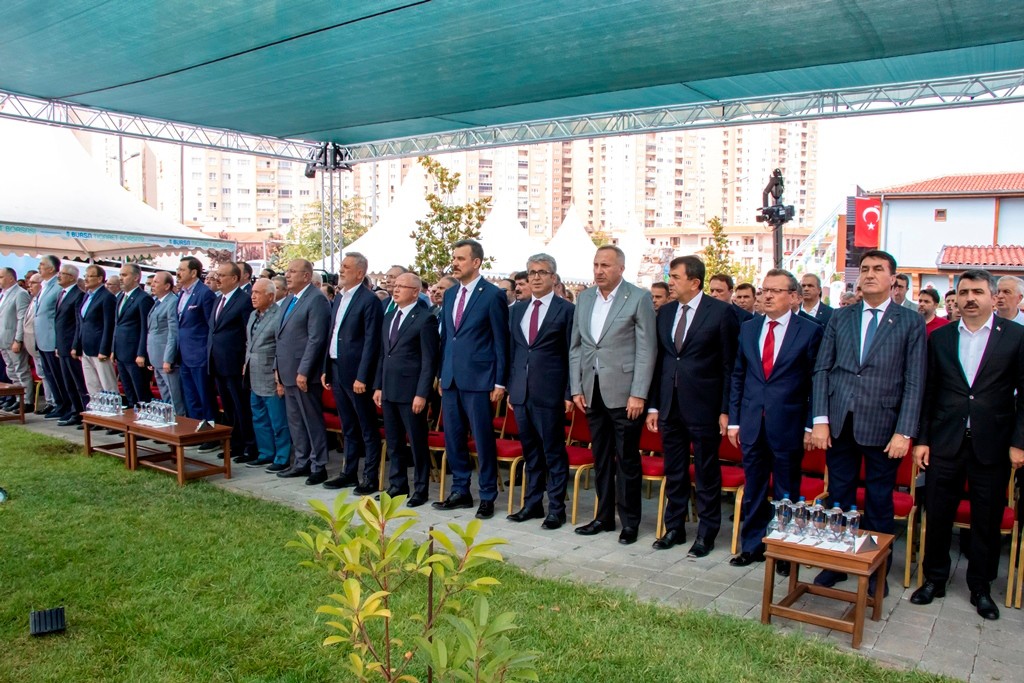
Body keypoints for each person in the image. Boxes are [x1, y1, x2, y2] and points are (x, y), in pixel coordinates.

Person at [810, 250, 926, 596]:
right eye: (865, 269)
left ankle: (875, 570)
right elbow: (822, 369)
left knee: (878, 502)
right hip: (840, 423)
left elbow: (915, 380)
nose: (870, 274)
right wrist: (820, 420)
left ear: (893, 278)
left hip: (883, 426)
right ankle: (837, 562)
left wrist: (904, 431)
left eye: (878, 269)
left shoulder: (910, 322)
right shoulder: (841, 317)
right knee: (839, 497)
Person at [911, 269, 1024, 621]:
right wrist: (922, 440)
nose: (970, 298)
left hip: (993, 443)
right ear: (956, 298)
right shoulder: (941, 337)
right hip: (945, 441)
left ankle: (981, 587)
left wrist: (1019, 442)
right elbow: (929, 391)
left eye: (977, 291)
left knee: (986, 519)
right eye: (964, 292)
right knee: (938, 513)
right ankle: (934, 579)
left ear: (993, 296)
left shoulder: (1016, 337)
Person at [727, 269, 823, 573]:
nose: (767, 296)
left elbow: (815, 382)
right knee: (754, 487)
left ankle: (784, 551)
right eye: (764, 290)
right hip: (752, 422)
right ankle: (752, 545)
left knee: (786, 491)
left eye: (775, 291)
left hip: (789, 423)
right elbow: (739, 376)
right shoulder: (749, 328)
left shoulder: (809, 331)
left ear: (793, 297)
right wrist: (734, 420)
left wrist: (810, 424)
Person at [646, 255, 738, 554]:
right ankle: (675, 527)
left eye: (675, 277)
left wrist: (725, 409)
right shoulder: (666, 312)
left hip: (704, 406)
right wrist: (654, 406)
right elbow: (661, 361)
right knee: (674, 470)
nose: (670, 282)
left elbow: (729, 365)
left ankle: (707, 533)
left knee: (706, 471)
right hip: (670, 405)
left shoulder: (721, 312)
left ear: (695, 282)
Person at [571, 245, 656, 544]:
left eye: (605, 265)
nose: (599, 270)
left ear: (621, 268)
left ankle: (630, 522)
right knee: (601, 458)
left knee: (627, 459)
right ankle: (603, 517)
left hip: (625, 393)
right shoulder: (584, 298)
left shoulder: (638, 297)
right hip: (591, 391)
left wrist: (639, 393)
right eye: (596, 265)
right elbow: (576, 347)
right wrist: (576, 387)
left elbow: (647, 349)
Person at [434, 239, 509, 519]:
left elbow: (501, 341)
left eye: (461, 258)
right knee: (453, 438)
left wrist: (500, 381)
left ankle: (487, 495)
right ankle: (460, 490)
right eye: (454, 258)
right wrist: (441, 374)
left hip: (480, 379)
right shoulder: (451, 294)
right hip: (451, 378)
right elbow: (447, 337)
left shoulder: (492, 295)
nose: (455, 263)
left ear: (476, 262)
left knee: (482, 439)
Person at [507, 253, 574, 529]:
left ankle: (556, 509)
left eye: (542, 272)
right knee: (531, 452)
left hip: (550, 392)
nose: (535, 277)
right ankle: (532, 504)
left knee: (553, 452)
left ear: (553, 278)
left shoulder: (566, 310)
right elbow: (514, 352)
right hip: (521, 393)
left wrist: (569, 392)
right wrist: (511, 387)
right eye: (531, 272)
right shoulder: (517, 310)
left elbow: (572, 354)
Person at [373, 272, 439, 506]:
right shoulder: (389, 316)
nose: (396, 289)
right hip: (389, 389)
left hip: (411, 392)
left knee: (417, 442)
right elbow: (384, 354)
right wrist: (378, 386)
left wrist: (422, 393)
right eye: (395, 285)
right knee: (394, 442)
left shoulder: (425, 319)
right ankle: (397, 484)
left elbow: (429, 361)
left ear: (415, 292)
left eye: (402, 286)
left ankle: (421, 489)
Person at [322, 252, 383, 493]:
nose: (341, 270)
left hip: (357, 373)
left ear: (360, 272)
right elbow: (333, 333)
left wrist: (363, 376)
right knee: (347, 425)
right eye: (341, 266)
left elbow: (371, 342)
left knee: (366, 426)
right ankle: (348, 473)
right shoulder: (339, 297)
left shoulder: (369, 301)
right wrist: (326, 368)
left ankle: (370, 476)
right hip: (337, 368)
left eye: (346, 267)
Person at [275, 259, 332, 484]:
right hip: (287, 369)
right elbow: (280, 337)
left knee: (311, 419)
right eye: (286, 271)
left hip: (304, 372)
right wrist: (277, 368)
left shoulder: (316, 299)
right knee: (295, 420)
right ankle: (301, 461)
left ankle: (319, 464)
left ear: (307, 276)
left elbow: (316, 338)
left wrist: (304, 370)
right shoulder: (290, 299)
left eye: (292, 271)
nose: (287, 275)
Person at [208, 262, 257, 463]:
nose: (217, 278)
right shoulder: (218, 300)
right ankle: (234, 444)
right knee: (228, 407)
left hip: (235, 363)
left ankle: (249, 446)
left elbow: (248, 333)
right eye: (217, 275)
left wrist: (245, 361)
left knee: (241, 406)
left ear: (235, 278)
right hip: (218, 361)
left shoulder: (243, 301)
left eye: (222, 275)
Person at [245, 278, 290, 471]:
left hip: (271, 375)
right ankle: (265, 453)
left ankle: (282, 457)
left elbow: (281, 348)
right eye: (252, 292)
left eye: (258, 293)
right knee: (259, 417)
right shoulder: (253, 315)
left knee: (278, 419)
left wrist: (279, 378)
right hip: (253, 374)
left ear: (271, 296)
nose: (253, 296)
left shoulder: (279, 315)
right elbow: (249, 343)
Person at [72, 265, 117, 400]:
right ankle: (97, 409)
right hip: (85, 347)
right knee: (92, 384)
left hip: (99, 348)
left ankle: (112, 410)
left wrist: (104, 349)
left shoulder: (107, 297)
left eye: (90, 276)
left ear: (99, 279)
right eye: (85, 275)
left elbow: (109, 325)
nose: (86, 278)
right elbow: (81, 323)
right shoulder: (87, 296)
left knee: (107, 384)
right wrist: (76, 346)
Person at [113, 263, 154, 408]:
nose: (120, 278)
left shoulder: (143, 299)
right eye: (120, 275)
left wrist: (141, 353)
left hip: (135, 353)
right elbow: (117, 325)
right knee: (128, 390)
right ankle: (131, 417)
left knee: (140, 391)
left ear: (136, 277)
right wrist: (113, 349)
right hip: (121, 352)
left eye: (124, 275)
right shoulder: (120, 297)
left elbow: (145, 328)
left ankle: (144, 416)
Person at [146, 272, 184, 415]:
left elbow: (172, 333)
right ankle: (168, 421)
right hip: (156, 357)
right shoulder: (157, 302)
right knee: (165, 395)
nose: (152, 285)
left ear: (167, 286)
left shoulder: (172, 302)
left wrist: (168, 358)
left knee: (175, 396)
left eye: (156, 282)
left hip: (166, 358)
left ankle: (179, 422)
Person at [54, 263, 88, 426]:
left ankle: (82, 412)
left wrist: (75, 345)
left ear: (72, 277)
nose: (59, 276)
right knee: (68, 382)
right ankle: (74, 411)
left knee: (78, 382)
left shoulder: (78, 295)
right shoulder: (62, 294)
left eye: (62, 273)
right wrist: (57, 345)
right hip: (62, 344)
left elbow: (77, 324)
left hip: (71, 345)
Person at [34, 255, 67, 421]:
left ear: (52, 268)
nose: (39, 267)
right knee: (49, 374)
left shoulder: (57, 286)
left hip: (52, 338)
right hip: (42, 338)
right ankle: (58, 403)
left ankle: (64, 405)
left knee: (57, 375)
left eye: (42, 264)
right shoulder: (45, 285)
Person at [0, 267, 32, 411]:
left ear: (11, 278)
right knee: (11, 371)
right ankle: (18, 398)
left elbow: (21, 318)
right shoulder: (4, 294)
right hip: (3, 339)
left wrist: (18, 340)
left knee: (21, 370)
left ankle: (27, 400)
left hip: (13, 339)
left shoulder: (20, 294)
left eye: (1, 277)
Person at [22, 273, 54, 413]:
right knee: (43, 374)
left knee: (48, 374)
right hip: (32, 344)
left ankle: (52, 402)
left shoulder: (42, 300)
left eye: (33, 283)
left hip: (42, 342)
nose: (29, 285)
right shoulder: (34, 299)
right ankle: (49, 401)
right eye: (29, 283)